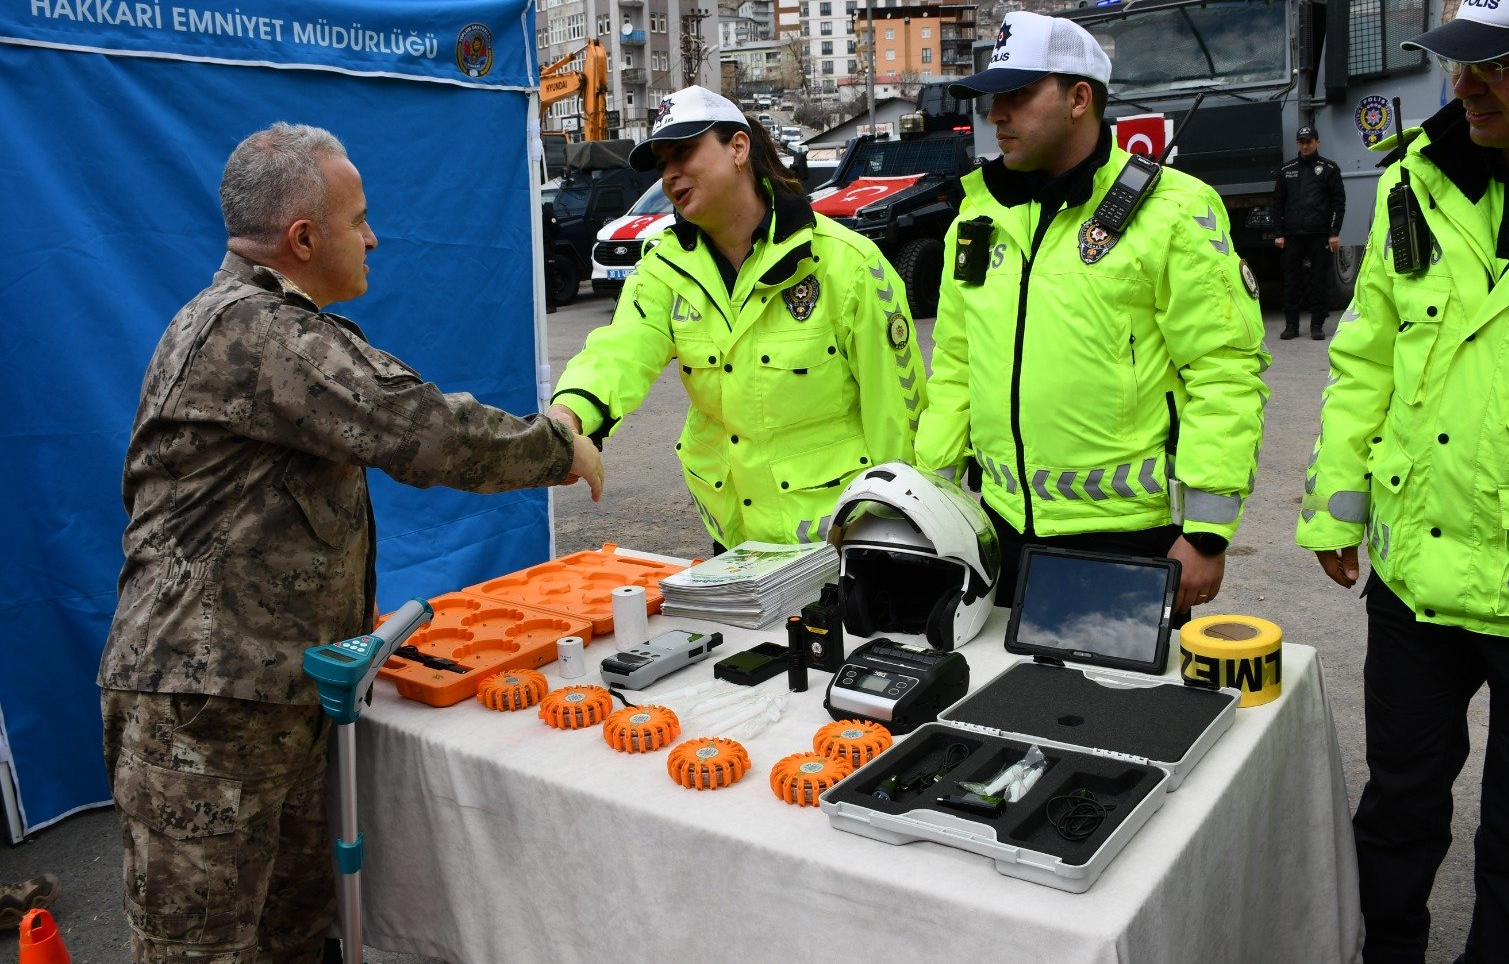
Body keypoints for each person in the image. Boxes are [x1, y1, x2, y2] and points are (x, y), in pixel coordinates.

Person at [99, 123, 602, 963]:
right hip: (207, 716)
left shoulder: (253, 328)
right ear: (303, 238)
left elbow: (272, 510)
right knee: (203, 949)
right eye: (358, 219)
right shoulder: (258, 334)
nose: (373, 237)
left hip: (267, 700)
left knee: (295, 937)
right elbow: (424, 431)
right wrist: (556, 444)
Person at [1295, 0, 1509, 964]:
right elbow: (1366, 358)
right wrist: (1335, 499)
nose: (1466, 83)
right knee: (1395, 810)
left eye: (1502, 62)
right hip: (1417, 585)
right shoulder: (1418, 181)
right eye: (1462, 55)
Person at [915, 11, 1269, 619]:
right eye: (993, 98)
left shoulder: (1172, 211)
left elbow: (1224, 373)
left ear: (1080, 98)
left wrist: (1207, 533)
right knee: (997, 704)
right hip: (997, 528)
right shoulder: (979, 217)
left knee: (1114, 711)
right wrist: (932, 504)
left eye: (1018, 95)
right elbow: (955, 366)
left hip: (1125, 536)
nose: (996, 114)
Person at [548, 86, 924, 549]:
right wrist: (568, 417)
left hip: (839, 544)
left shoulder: (844, 262)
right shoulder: (666, 268)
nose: (670, 174)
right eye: (662, 163)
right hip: (734, 544)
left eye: (684, 152)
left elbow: (897, 415)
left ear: (738, 148)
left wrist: (892, 534)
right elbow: (619, 350)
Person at [1272, 123, 1345, 340]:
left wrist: (1334, 232)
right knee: (1291, 280)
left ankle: (1317, 325)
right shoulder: (1286, 170)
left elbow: (1338, 202)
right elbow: (1277, 203)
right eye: (1301, 142)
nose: (1305, 146)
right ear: (1298, 143)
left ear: (1317, 142)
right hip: (1293, 234)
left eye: (1309, 142)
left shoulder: (1329, 169)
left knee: (1319, 280)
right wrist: (1279, 232)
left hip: (1320, 234)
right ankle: (1291, 326)